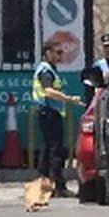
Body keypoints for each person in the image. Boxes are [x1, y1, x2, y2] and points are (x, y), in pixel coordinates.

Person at [33, 42, 82, 191]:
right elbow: (48, 90)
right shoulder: (45, 71)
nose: (60, 56)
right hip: (48, 113)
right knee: (55, 150)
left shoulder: (51, 69)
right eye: (57, 52)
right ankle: (58, 185)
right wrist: (68, 99)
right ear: (47, 53)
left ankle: (45, 183)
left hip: (50, 113)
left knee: (48, 149)